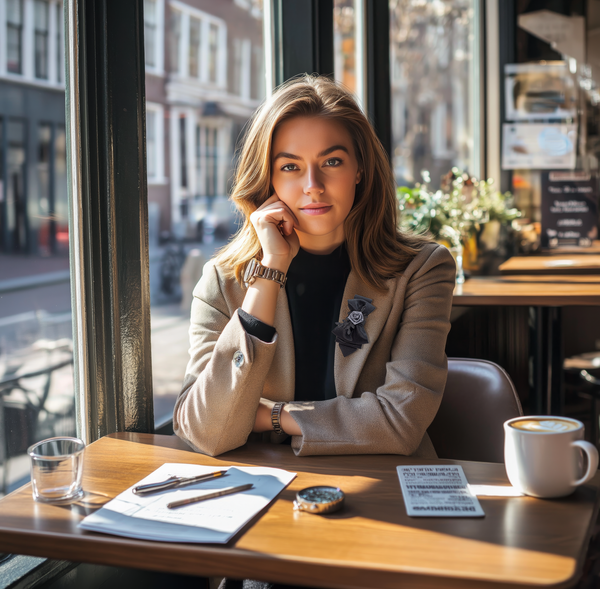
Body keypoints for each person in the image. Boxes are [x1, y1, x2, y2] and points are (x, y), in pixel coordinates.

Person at [174, 74, 455, 462]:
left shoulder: (421, 270)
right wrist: (270, 270)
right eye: (290, 167)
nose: (313, 185)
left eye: (332, 161)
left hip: (385, 490)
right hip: (266, 493)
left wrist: (273, 416)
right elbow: (205, 428)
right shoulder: (222, 282)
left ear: (359, 169)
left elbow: (400, 420)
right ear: (267, 177)